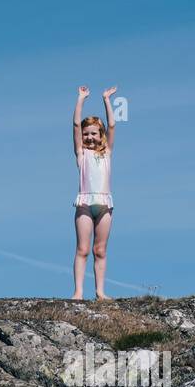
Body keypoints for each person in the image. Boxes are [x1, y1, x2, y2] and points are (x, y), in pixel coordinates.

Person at [72, 85, 117, 300]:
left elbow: (112, 125)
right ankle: (78, 292)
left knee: (100, 250)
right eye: (86, 134)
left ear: (101, 136)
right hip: (84, 205)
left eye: (93, 134)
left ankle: (100, 291)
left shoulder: (107, 153)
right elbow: (74, 124)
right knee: (83, 249)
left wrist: (106, 100)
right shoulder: (81, 154)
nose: (89, 137)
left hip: (104, 205)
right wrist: (80, 99)